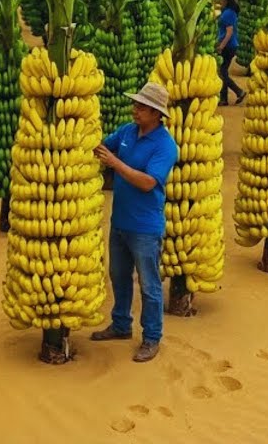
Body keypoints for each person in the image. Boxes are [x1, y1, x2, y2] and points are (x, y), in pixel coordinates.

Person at [89, 82, 179, 363]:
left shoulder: (165, 146)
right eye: (136, 104)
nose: (135, 109)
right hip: (120, 222)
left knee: (150, 286)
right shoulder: (127, 132)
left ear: (156, 113)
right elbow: (102, 146)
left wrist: (115, 164)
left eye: (141, 106)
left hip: (145, 228)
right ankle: (120, 325)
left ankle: (152, 337)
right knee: (118, 276)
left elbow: (148, 182)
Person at [216, 0, 245, 105]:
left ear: (228, 0)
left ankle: (239, 91)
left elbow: (229, 32)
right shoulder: (229, 11)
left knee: (222, 72)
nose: (221, 0)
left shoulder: (228, 13)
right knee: (223, 72)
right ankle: (224, 99)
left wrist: (221, 46)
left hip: (228, 46)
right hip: (229, 45)